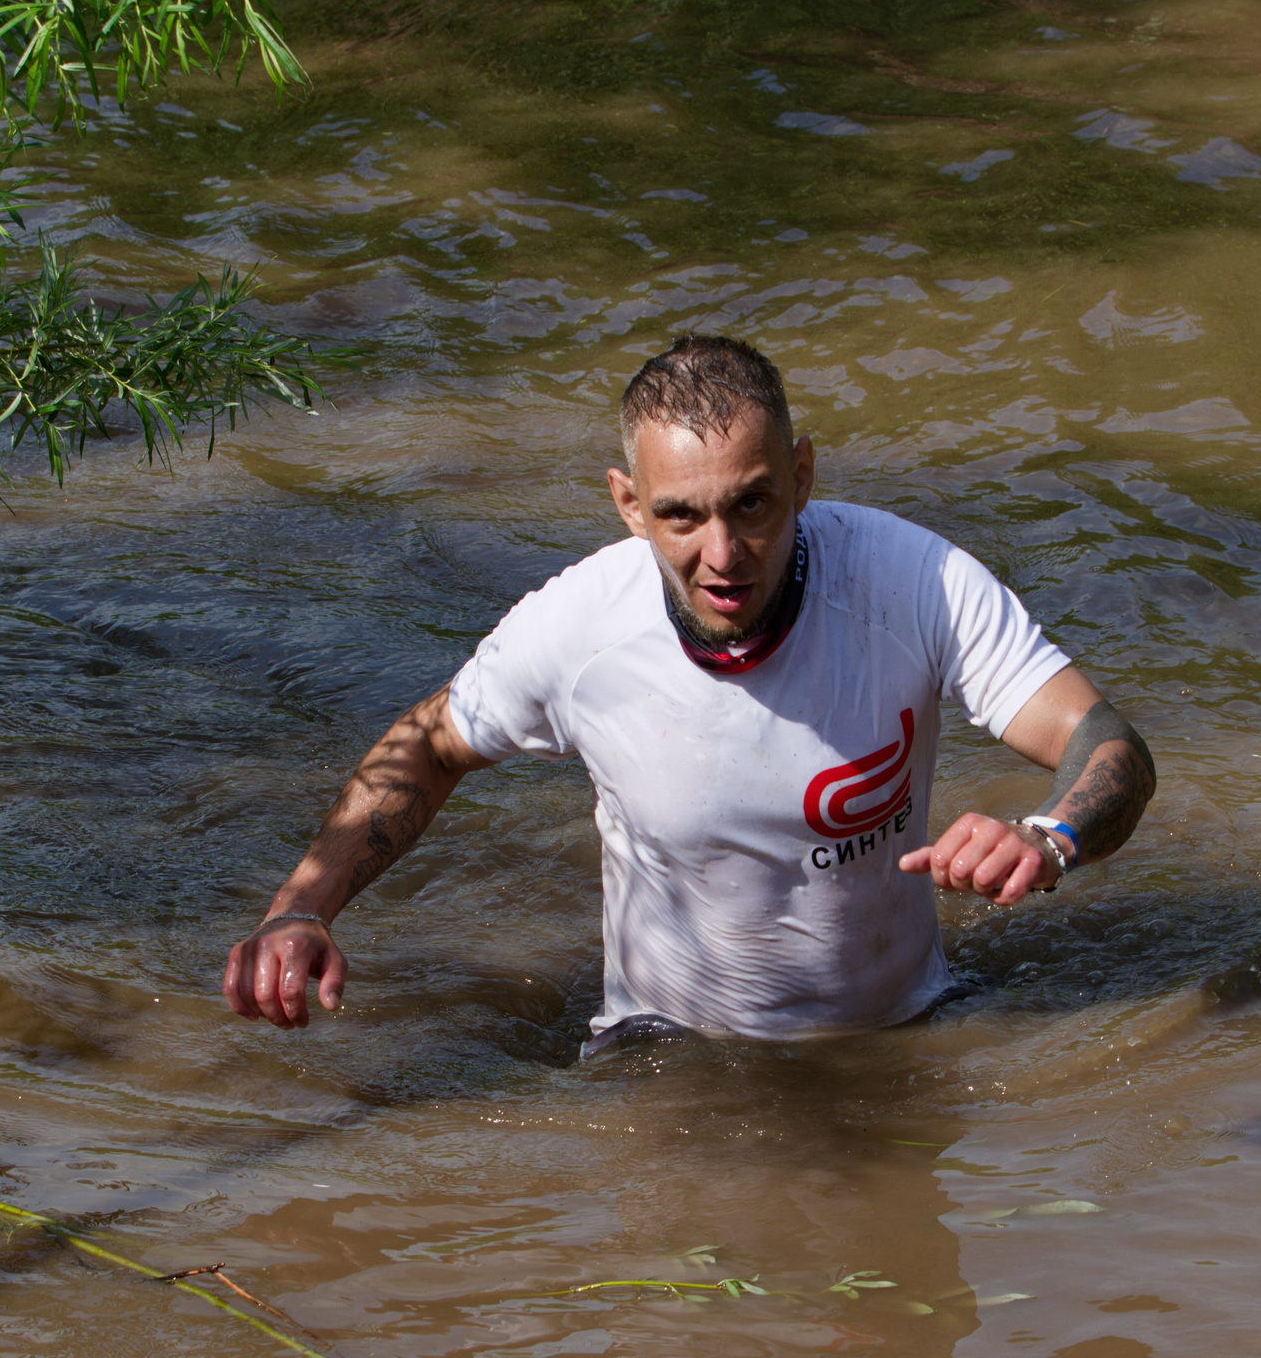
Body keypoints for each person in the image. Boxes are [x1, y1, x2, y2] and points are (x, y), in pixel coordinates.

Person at [221, 336, 1155, 1049]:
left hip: (905, 1029)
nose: (722, 554)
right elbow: (428, 745)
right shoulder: (579, 627)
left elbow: (1110, 744)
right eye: (681, 515)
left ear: (802, 476)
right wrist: (301, 908)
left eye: (752, 503)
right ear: (629, 505)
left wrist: (1049, 836)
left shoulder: (914, 583)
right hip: (666, 1057)